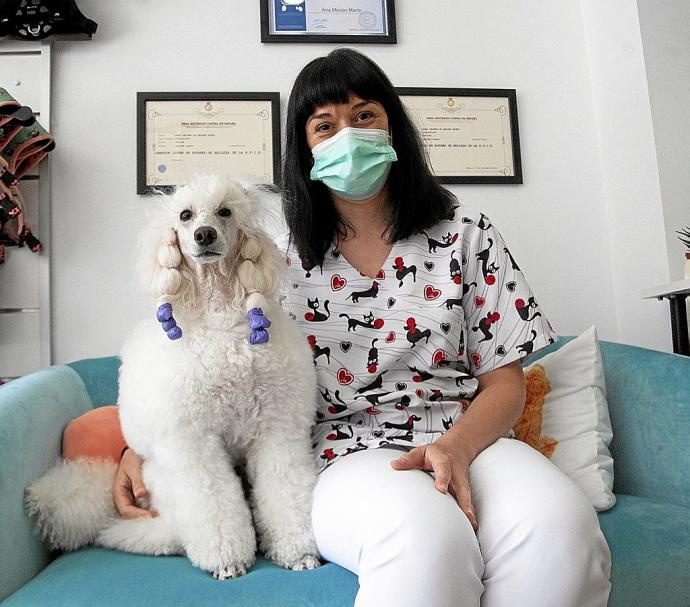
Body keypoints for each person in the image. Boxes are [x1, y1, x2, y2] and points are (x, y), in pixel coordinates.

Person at [115, 49, 611, 606]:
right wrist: (143, 449)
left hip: (471, 439)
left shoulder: (467, 235)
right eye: (324, 126)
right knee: (424, 539)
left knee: (561, 531)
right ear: (303, 151)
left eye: (365, 115)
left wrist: (456, 447)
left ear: (393, 123)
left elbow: (505, 381)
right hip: (346, 455)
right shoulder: (273, 264)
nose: (347, 135)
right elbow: (199, 370)